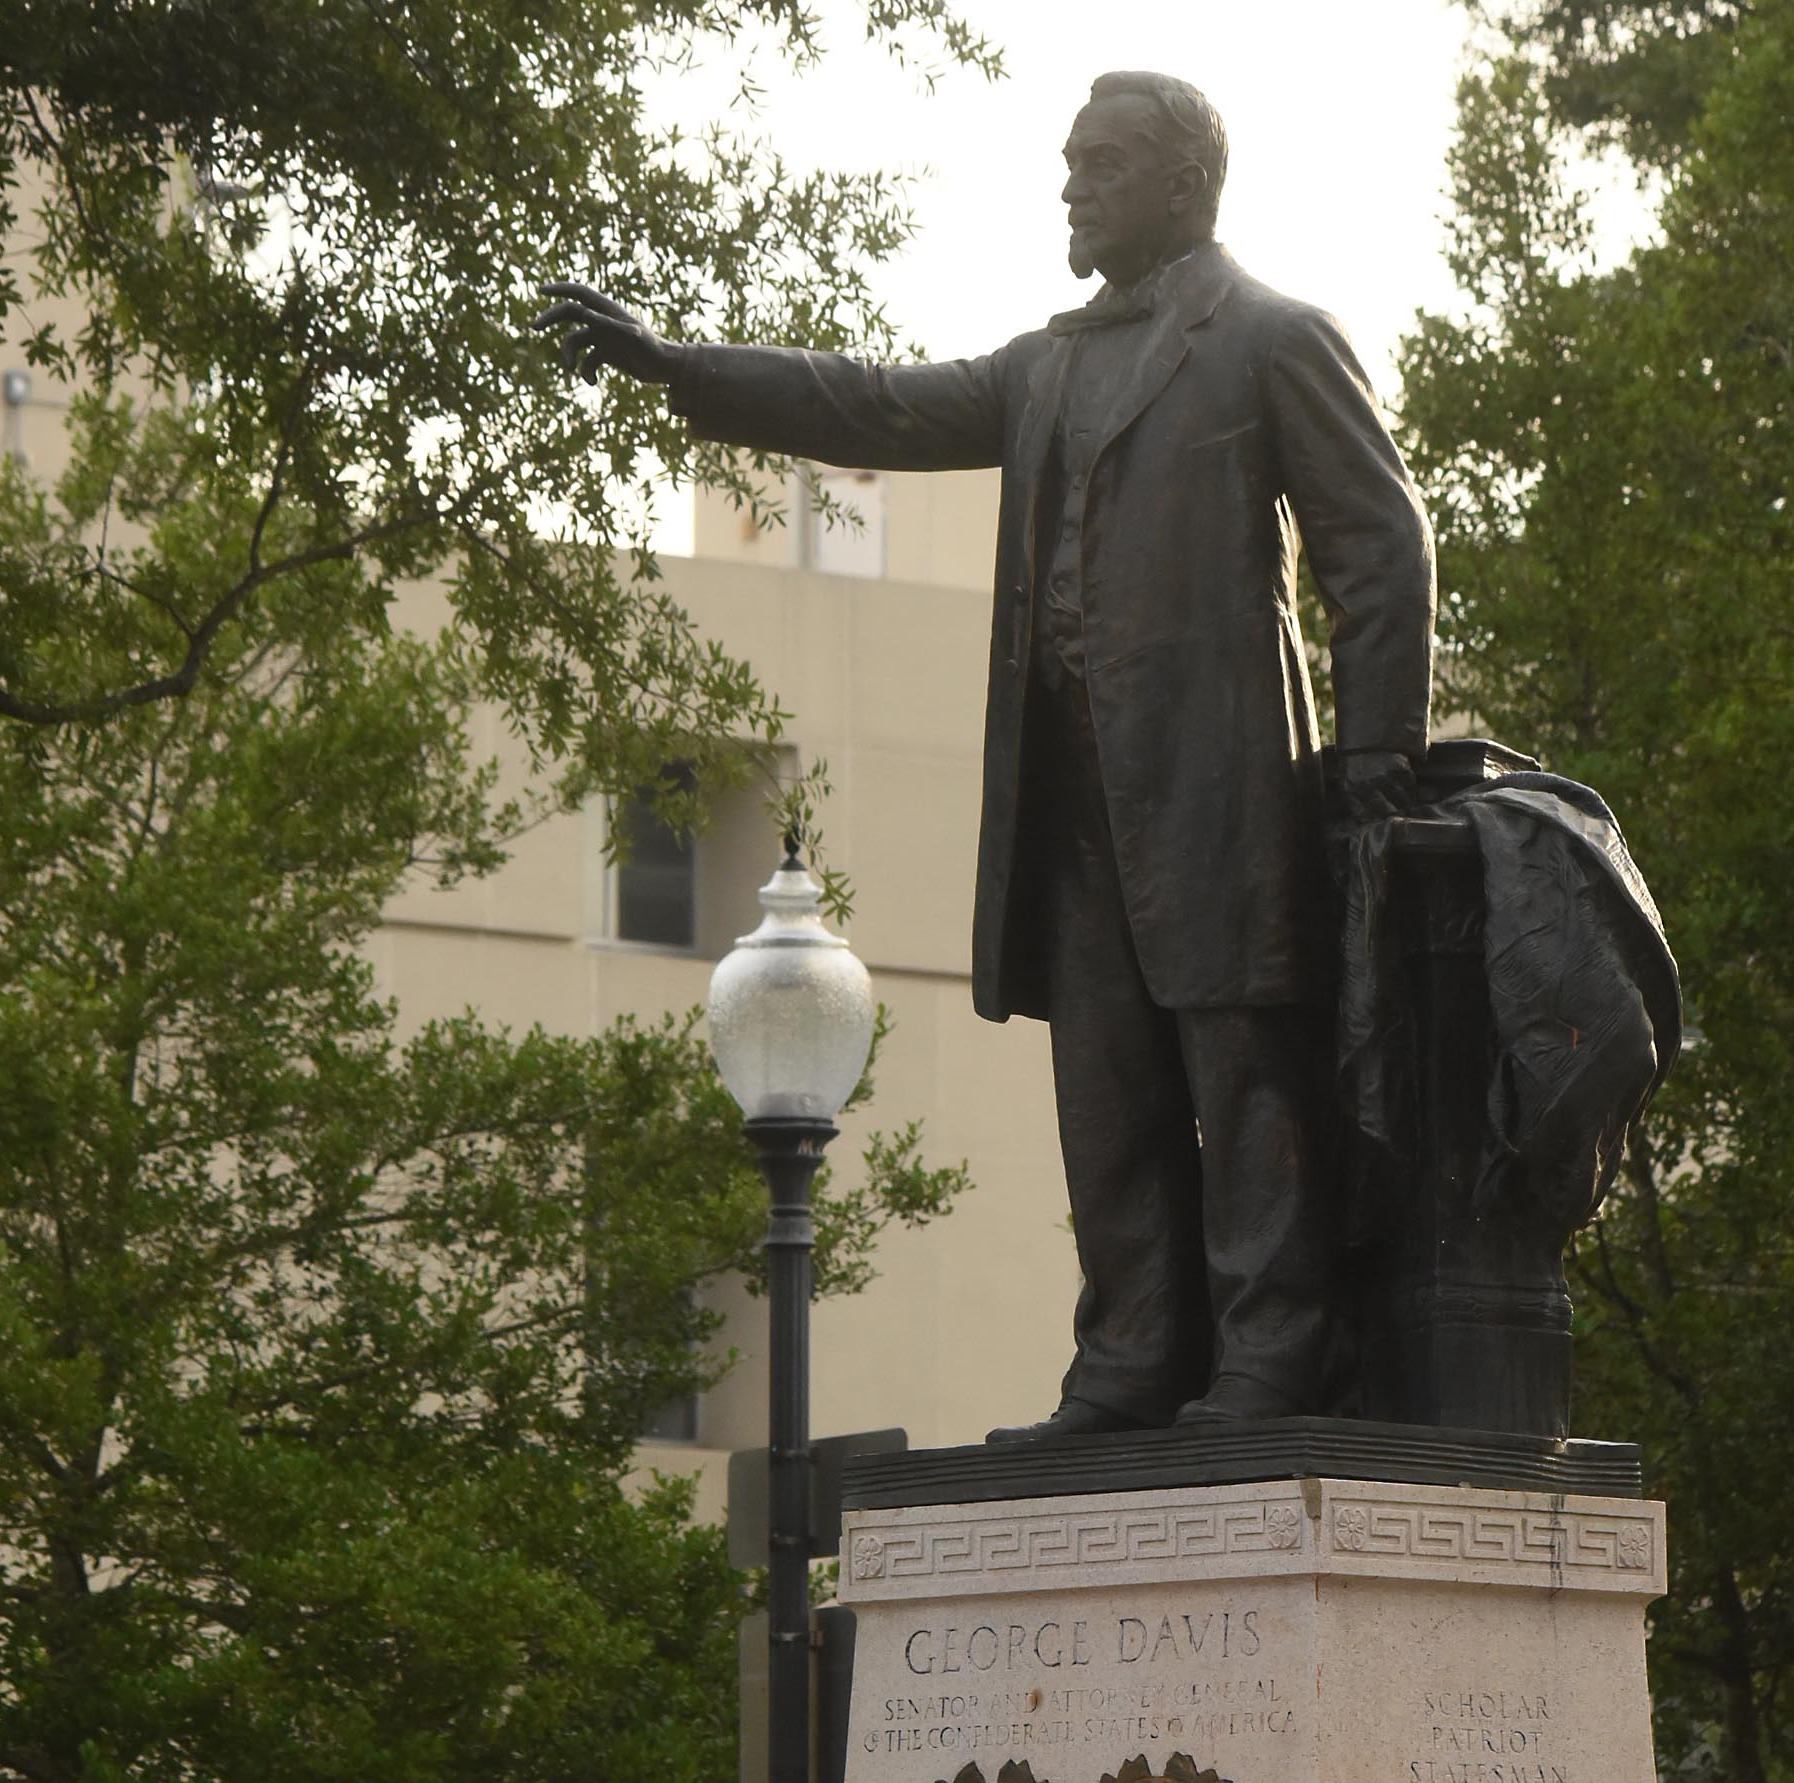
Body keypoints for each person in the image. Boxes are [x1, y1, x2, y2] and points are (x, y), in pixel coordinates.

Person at [542, 71, 1435, 1436]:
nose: (1072, 184)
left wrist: (1378, 759)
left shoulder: (1272, 340)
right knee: (1110, 1090)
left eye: (1105, 163)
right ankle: (1133, 1352)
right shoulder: (1047, 367)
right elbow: (873, 407)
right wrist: (684, 369)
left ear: (1188, 184)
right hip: (1069, 798)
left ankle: (1270, 1357)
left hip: (1220, 795)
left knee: (1245, 1080)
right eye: (1070, 160)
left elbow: (1384, 545)